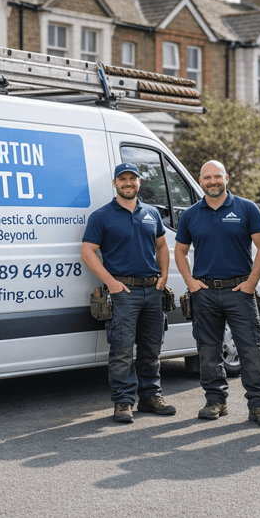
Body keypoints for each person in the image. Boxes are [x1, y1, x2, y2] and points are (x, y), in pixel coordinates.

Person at [174, 161, 260, 425]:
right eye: (207, 177)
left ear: (227, 178)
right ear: (200, 180)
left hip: (239, 291)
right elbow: (180, 251)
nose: (212, 181)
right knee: (208, 351)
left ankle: (259, 405)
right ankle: (215, 401)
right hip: (205, 292)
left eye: (217, 176)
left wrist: (252, 283)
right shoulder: (191, 215)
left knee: (251, 349)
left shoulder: (246, 208)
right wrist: (191, 281)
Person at [81, 162, 176, 423]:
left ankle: (150, 397)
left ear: (139, 183)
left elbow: (162, 246)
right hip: (124, 292)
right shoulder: (102, 216)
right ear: (115, 183)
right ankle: (123, 402)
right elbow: (87, 251)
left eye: (132, 179)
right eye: (122, 179)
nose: (128, 183)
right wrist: (111, 282)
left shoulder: (151, 213)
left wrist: (164, 275)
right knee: (122, 350)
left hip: (152, 290)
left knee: (151, 349)